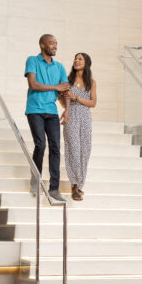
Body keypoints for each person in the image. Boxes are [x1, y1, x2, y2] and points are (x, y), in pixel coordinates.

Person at [24, 34, 70, 202]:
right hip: (34, 109)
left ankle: (54, 189)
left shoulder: (59, 67)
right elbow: (33, 84)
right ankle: (35, 181)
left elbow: (65, 90)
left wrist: (68, 110)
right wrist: (55, 86)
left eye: (56, 44)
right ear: (42, 45)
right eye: (51, 43)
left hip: (51, 111)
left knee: (56, 147)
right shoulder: (32, 61)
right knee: (40, 144)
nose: (55, 46)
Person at [59, 53, 97, 201]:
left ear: (86, 63)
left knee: (85, 150)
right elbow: (63, 102)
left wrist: (77, 98)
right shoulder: (67, 81)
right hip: (72, 115)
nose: (76, 60)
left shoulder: (91, 82)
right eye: (75, 58)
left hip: (85, 117)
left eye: (80, 58)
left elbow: (93, 103)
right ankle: (74, 184)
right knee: (73, 148)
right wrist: (65, 103)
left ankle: (80, 184)